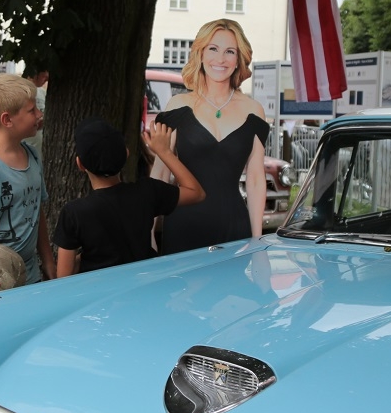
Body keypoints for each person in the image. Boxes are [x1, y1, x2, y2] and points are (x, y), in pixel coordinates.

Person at [151, 18, 269, 254]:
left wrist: (258, 241)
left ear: (238, 59)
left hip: (234, 228)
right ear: (201, 53)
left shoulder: (254, 110)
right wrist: (148, 228)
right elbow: (160, 174)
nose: (220, 59)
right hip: (183, 226)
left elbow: (256, 179)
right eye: (213, 49)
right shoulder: (177, 106)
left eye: (230, 51)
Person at [54, 118, 204, 277]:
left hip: (103, 290)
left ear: (80, 164)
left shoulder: (73, 213)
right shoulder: (148, 192)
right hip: (146, 285)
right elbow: (196, 193)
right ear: (126, 153)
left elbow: (63, 278)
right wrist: (164, 152)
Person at [0, 73, 54, 287]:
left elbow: (36, 211)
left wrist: (48, 261)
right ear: (7, 120)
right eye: (32, 110)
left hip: (30, 276)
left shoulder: (32, 155)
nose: (39, 114)